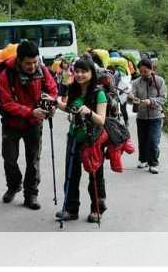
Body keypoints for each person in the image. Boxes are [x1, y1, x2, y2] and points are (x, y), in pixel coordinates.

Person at [0, 40, 58, 210]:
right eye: (28, 63)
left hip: (34, 123)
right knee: (9, 159)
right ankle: (14, 185)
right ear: (19, 60)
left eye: (34, 62)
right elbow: (7, 102)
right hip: (11, 123)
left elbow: (53, 90)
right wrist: (30, 111)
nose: (32, 66)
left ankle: (31, 194)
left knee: (33, 161)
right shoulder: (6, 74)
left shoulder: (42, 70)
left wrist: (48, 104)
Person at [50, 57, 108, 223]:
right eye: (77, 71)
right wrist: (54, 101)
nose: (80, 74)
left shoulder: (99, 93)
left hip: (92, 140)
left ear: (92, 73)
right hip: (74, 137)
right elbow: (68, 108)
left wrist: (88, 112)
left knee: (95, 175)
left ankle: (97, 209)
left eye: (84, 71)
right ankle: (70, 209)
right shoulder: (73, 90)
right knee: (71, 174)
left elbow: (102, 120)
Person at [129, 58, 167, 174]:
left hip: (156, 116)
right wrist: (132, 97)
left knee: (153, 140)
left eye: (145, 71)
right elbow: (132, 96)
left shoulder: (160, 81)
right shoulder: (136, 82)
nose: (143, 74)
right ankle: (143, 160)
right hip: (141, 117)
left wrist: (151, 101)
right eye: (141, 71)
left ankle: (153, 163)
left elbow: (163, 98)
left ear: (151, 69)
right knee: (143, 140)